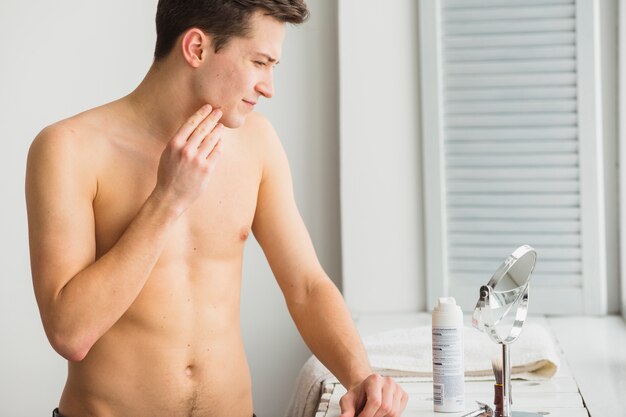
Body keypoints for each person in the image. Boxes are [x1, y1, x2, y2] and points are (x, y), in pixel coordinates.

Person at [25, 1, 408, 416]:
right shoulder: (69, 149)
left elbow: (306, 286)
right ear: (196, 48)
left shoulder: (258, 143)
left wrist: (359, 376)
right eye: (260, 62)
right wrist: (167, 199)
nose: (269, 87)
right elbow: (70, 333)